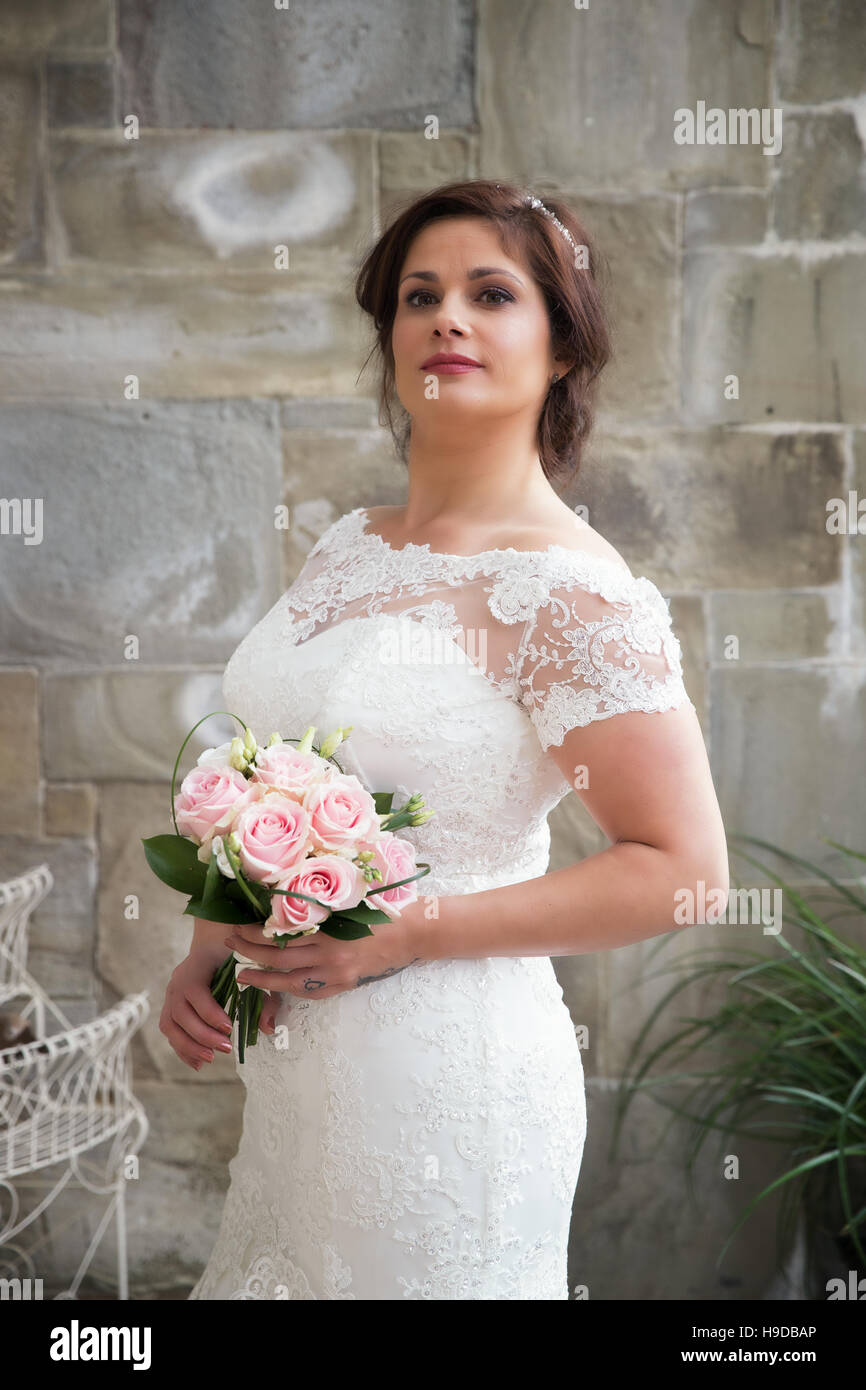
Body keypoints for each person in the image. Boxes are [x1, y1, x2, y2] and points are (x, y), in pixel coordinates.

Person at [162, 179, 729, 1300]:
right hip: (298, 1078)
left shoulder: (567, 593)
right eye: (419, 295)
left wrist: (410, 933)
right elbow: (284, 765)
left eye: (491, 293)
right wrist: (211, 936)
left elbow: (685, 875)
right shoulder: (348, 546)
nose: (446, 318)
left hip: (448, 1080)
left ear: (561, 347)